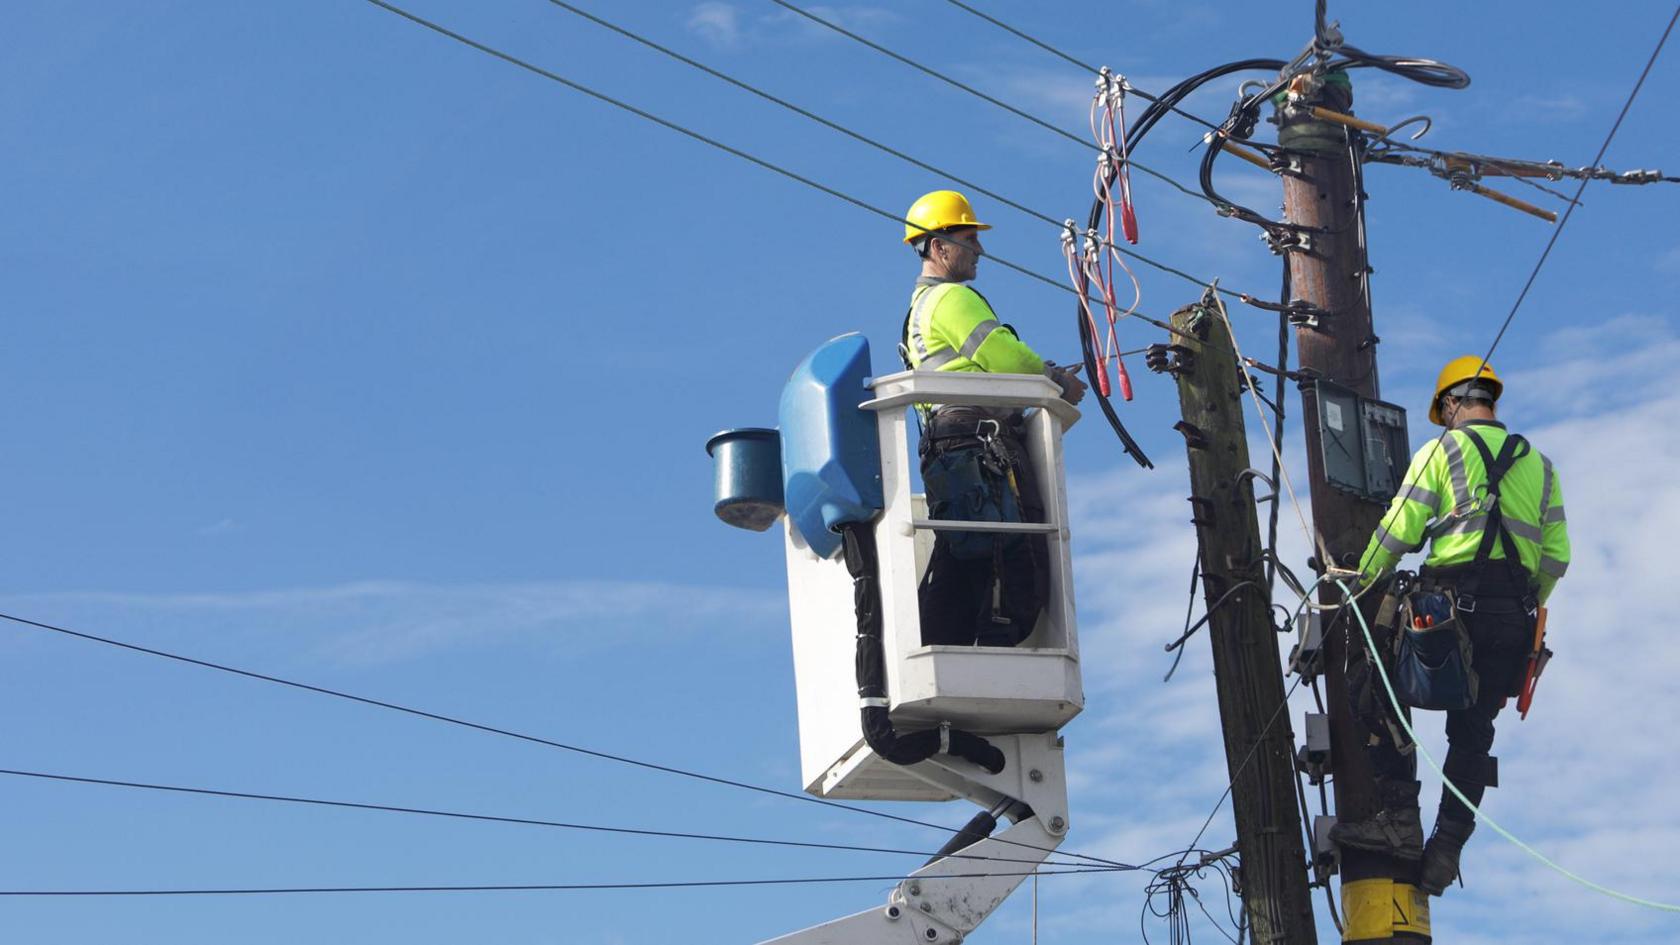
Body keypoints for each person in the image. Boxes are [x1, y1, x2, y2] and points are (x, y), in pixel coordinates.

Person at [1333, 355, 1571, 895]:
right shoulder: (1543, 466)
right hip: (1513, 622)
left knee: (1374, 685)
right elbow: (1557, 557)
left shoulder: (1442, 451)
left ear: (1449, 405)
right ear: (1490, 399)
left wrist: (1357, 580)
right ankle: (1446, 849)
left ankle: (1398, 819)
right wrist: (1523, 601)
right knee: (1473, 730)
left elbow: (1400, 529)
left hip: (1445, 615)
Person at [896, 189, 1086, 647]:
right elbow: (1005, 357)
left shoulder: (919, 310)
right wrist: (1055, 379)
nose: (979, 249)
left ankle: (947, 651)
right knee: (1011, 554)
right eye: (969, 239)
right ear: (939, 247)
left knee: (968, 555)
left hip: (952, 446)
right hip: (978, 444)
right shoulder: (952, 299)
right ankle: (982, 650)